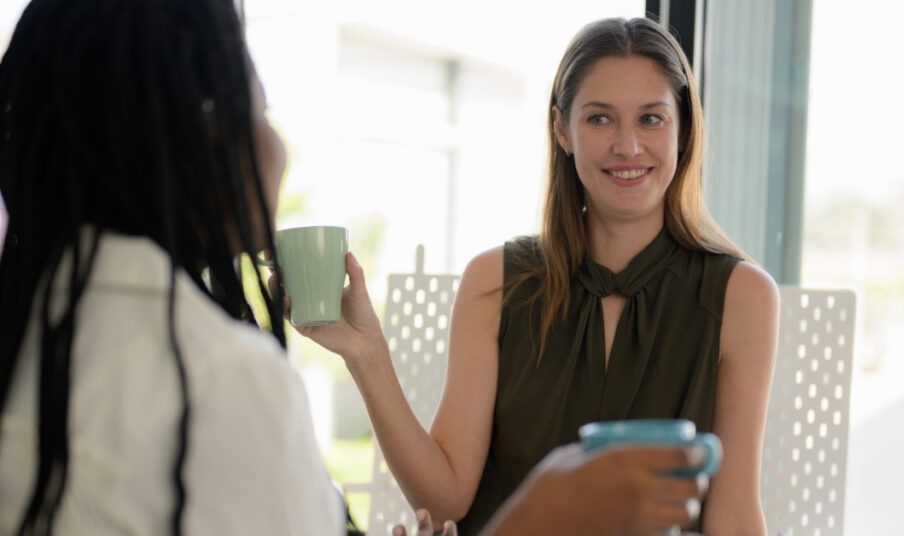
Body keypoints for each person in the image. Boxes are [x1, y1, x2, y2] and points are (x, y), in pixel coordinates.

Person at [0, 1, 709, 535]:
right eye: (262, 108)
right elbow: (448, 494)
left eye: (650, 118)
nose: (275, 147)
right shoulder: (217, 376)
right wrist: (545, 514)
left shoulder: (36, 333)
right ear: (194, 138)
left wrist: (367, 355)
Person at [299, 16, 779, 535]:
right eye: (599, 119)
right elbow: (445, 501)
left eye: (651, 119)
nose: (627, 146)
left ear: (683, 129)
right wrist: (368, 355)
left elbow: (732, 516)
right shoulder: (494, 282)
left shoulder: (742, 296)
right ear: (561, 130)